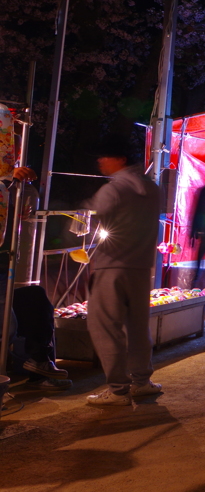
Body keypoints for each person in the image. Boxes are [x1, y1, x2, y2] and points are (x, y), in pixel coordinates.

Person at [83, 136, 162, 406]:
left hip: (111, 266)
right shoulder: (152, 188)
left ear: (121, 160)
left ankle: (117, 390)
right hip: (140, 267)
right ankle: (142, 382)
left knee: (105, 326)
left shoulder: (112, 190)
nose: (100, 161)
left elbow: (91, 219)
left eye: (105, 156)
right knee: (138, 327)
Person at [1, 167, 71, 390]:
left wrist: (14, 187)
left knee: (35, 297)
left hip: (3, 267)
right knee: (7, 321)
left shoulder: (8, 187)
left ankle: (39, 363)